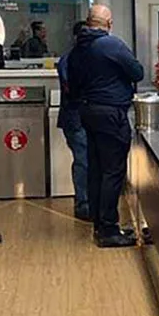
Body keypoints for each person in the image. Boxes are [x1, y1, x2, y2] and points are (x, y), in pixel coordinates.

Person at [67, 4, 145, 248]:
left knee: (97, 169)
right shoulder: (111, 45)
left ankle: (99, 225)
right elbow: (137, 72)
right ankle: (110, 230)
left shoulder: (78, 49)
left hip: (88, 112)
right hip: (111, 114)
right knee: (113, 171)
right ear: (108, 24)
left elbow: (74, 83)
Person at [58, 21, 89, 221]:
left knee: (86, 160)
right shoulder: (70, 60)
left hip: (80, 117)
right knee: (83, 161)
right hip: (75, 118)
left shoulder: (77, 58)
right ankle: (83, 205)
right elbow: (74, 89)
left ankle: (88, 202)